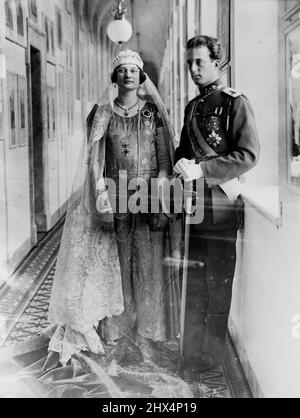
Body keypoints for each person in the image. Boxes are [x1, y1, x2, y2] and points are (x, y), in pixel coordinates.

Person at [0, 50, 192, 398]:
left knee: (148, 267)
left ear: (141, 76)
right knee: (117, 267)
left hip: (148, 198)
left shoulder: (152, 115)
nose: (129, 75)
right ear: (114, 77)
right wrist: (102, 198)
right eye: (123, 70)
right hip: (115, 200)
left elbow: (165, 160)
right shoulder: (101, 114)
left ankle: (149, 336)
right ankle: (118, 335)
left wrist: (161, 196)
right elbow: (94, 161)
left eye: (134, 70)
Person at [174, 35, 260, 372]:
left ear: (216, 62)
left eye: (200, 62)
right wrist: (182, 162)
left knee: (217, 284)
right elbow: (184, 150)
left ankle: (210, 357)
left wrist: (203, 168)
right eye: (189, 63)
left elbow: (248, 154)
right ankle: (191, 352)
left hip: (222, 207)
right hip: (194, 206)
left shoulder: (234, 102)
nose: (193, 69)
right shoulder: (192, 107)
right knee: (194, 283)